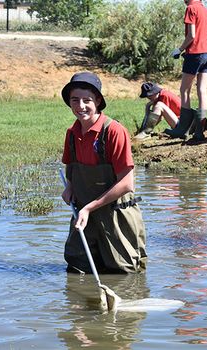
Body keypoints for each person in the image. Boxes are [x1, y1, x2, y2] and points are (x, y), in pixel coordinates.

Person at [61, 71, 147, 274]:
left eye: (86, 100)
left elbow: (127, 184)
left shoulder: (114, 132)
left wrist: (90, 207)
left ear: (98, 100)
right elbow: (71, 168)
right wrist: (70, 188)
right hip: (84, 215)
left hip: (116, 217)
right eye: (75, 100)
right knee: (76, 270)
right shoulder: (72, 134)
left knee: (123, 274)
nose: (80, 106)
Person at [166, 0, 207, 141]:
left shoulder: (191, 8)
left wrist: (179, 50)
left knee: (184, 90)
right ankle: (199, 131)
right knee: (202, 90)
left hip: (195, 54)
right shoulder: (204, 9)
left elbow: (191, 35)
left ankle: (182, 129)